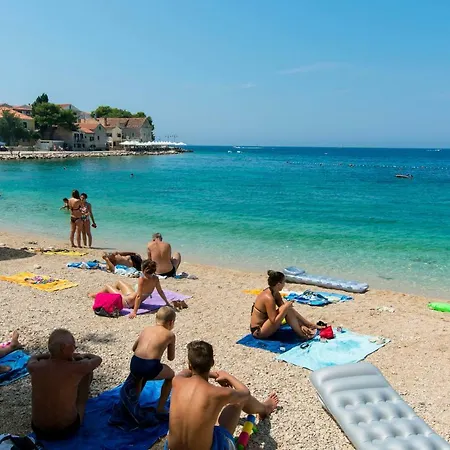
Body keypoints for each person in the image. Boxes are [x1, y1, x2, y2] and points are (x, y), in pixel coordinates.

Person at [164, 341, 278, 450]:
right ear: (212, 363)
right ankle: (264, 409)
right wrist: (225, 375)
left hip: (171, 448)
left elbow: (185, 372)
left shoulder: (177, 381)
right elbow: (245, 393)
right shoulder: (217, 393)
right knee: (239, 401)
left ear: (190, 365)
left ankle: (264, 408)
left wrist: (212, 375)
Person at [27, 329, 102, 441]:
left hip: (38, 430)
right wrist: (83, 355)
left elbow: (33, 358)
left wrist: (51, 354)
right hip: (66, 430)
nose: (75, 348)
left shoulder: (35, 367)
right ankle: (80, 403)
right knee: (87, 374)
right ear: (64, 348)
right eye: (73, 346)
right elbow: (97, 359)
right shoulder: (77, 367)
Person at [123, 306, 176, 418]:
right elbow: (171, 358)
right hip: (149, 366)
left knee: (140, 377)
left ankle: (134, 403)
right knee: (171, 375)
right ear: (171, 322)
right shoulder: (170, 335)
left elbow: (134, 348)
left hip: (135, 363)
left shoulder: (146, 329)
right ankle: (160, 408)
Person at [88, 260, 186, 318]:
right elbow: (160, 291)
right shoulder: (155, 278)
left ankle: (94, 296)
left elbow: (138, 296)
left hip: (126, 302)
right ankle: (108, 296)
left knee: (107, 286)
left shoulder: (142, 279)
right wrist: (167, 303)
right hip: (130, 296)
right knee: (119, 282)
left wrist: (134, 311)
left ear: (143, 270)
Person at [250, 270, 324, 340]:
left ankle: (309, 325)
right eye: (283, 282)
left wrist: (301, 325)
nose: (284, 284)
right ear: (278, 284)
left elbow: (287, 311)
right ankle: (302, 335)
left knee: (287, 308)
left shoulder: (275, 293)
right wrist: (286, 307)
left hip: (265, 324)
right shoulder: (269, 298)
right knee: (286, 307)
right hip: (259, 331)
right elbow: (273, 321)